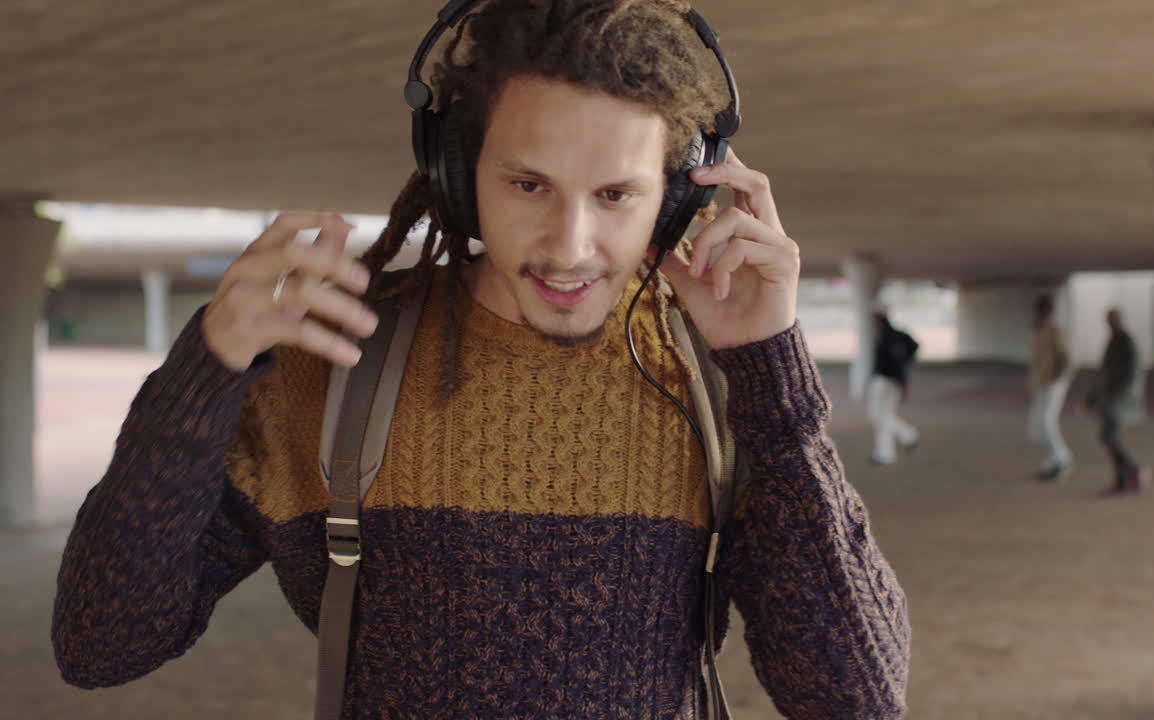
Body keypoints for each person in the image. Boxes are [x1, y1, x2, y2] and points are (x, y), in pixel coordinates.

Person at [51, 2, 910, 718]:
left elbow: (855, 698)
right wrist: (201, 374)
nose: (570, 247)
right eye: (528, 185)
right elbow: (102, 643)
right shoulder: (328, 366)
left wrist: (771, 372)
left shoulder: (722, 382)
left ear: (679, 194)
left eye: (615, 195)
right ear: (459, 175)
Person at [1086, 308, 1149, 494]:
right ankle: (1123, 478)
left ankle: (1134, 469)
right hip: (1109, 398)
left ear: (1120, 320)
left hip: (1120, 399)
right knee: (1109, 437)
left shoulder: (1126, 342)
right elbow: (1103, 373)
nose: (1110, 323)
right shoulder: (1112, 341)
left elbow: (1131, 373)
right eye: (1108, 320)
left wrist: (1116, 395)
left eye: (1113, 320)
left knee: (1110, 436)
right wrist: (1092, 397)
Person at [1027, 295, 1073, 480]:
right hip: (1040, 383)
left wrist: (1057, 378)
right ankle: (1053, 459)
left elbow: (1066, 358)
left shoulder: (1055, 331)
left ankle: (1062, 458)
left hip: (1054, 383)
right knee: (1036, 425)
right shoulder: (1036, 331)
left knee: (1047, 421)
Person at [867, 309, 920, 466]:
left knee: (878, 417)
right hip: (892, 382)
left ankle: (888, 451)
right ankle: (907, 437)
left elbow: (908, 352)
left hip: (885, 381)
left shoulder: (887, 337)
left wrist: (905, 363)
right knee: (881, 417)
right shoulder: (897, 335)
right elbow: (914, 347)